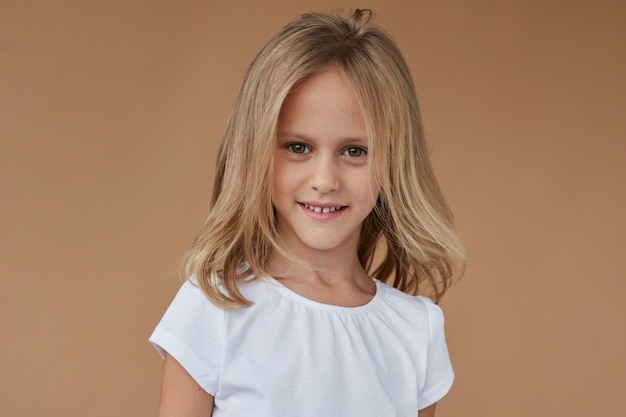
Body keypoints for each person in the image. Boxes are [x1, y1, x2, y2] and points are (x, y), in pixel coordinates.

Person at [150, 9, 465, 417]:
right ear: (256, 151)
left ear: (394, 162)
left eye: (355, 151)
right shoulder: (216, 304)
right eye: (298, 147)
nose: (324, 179)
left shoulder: (415, 330)